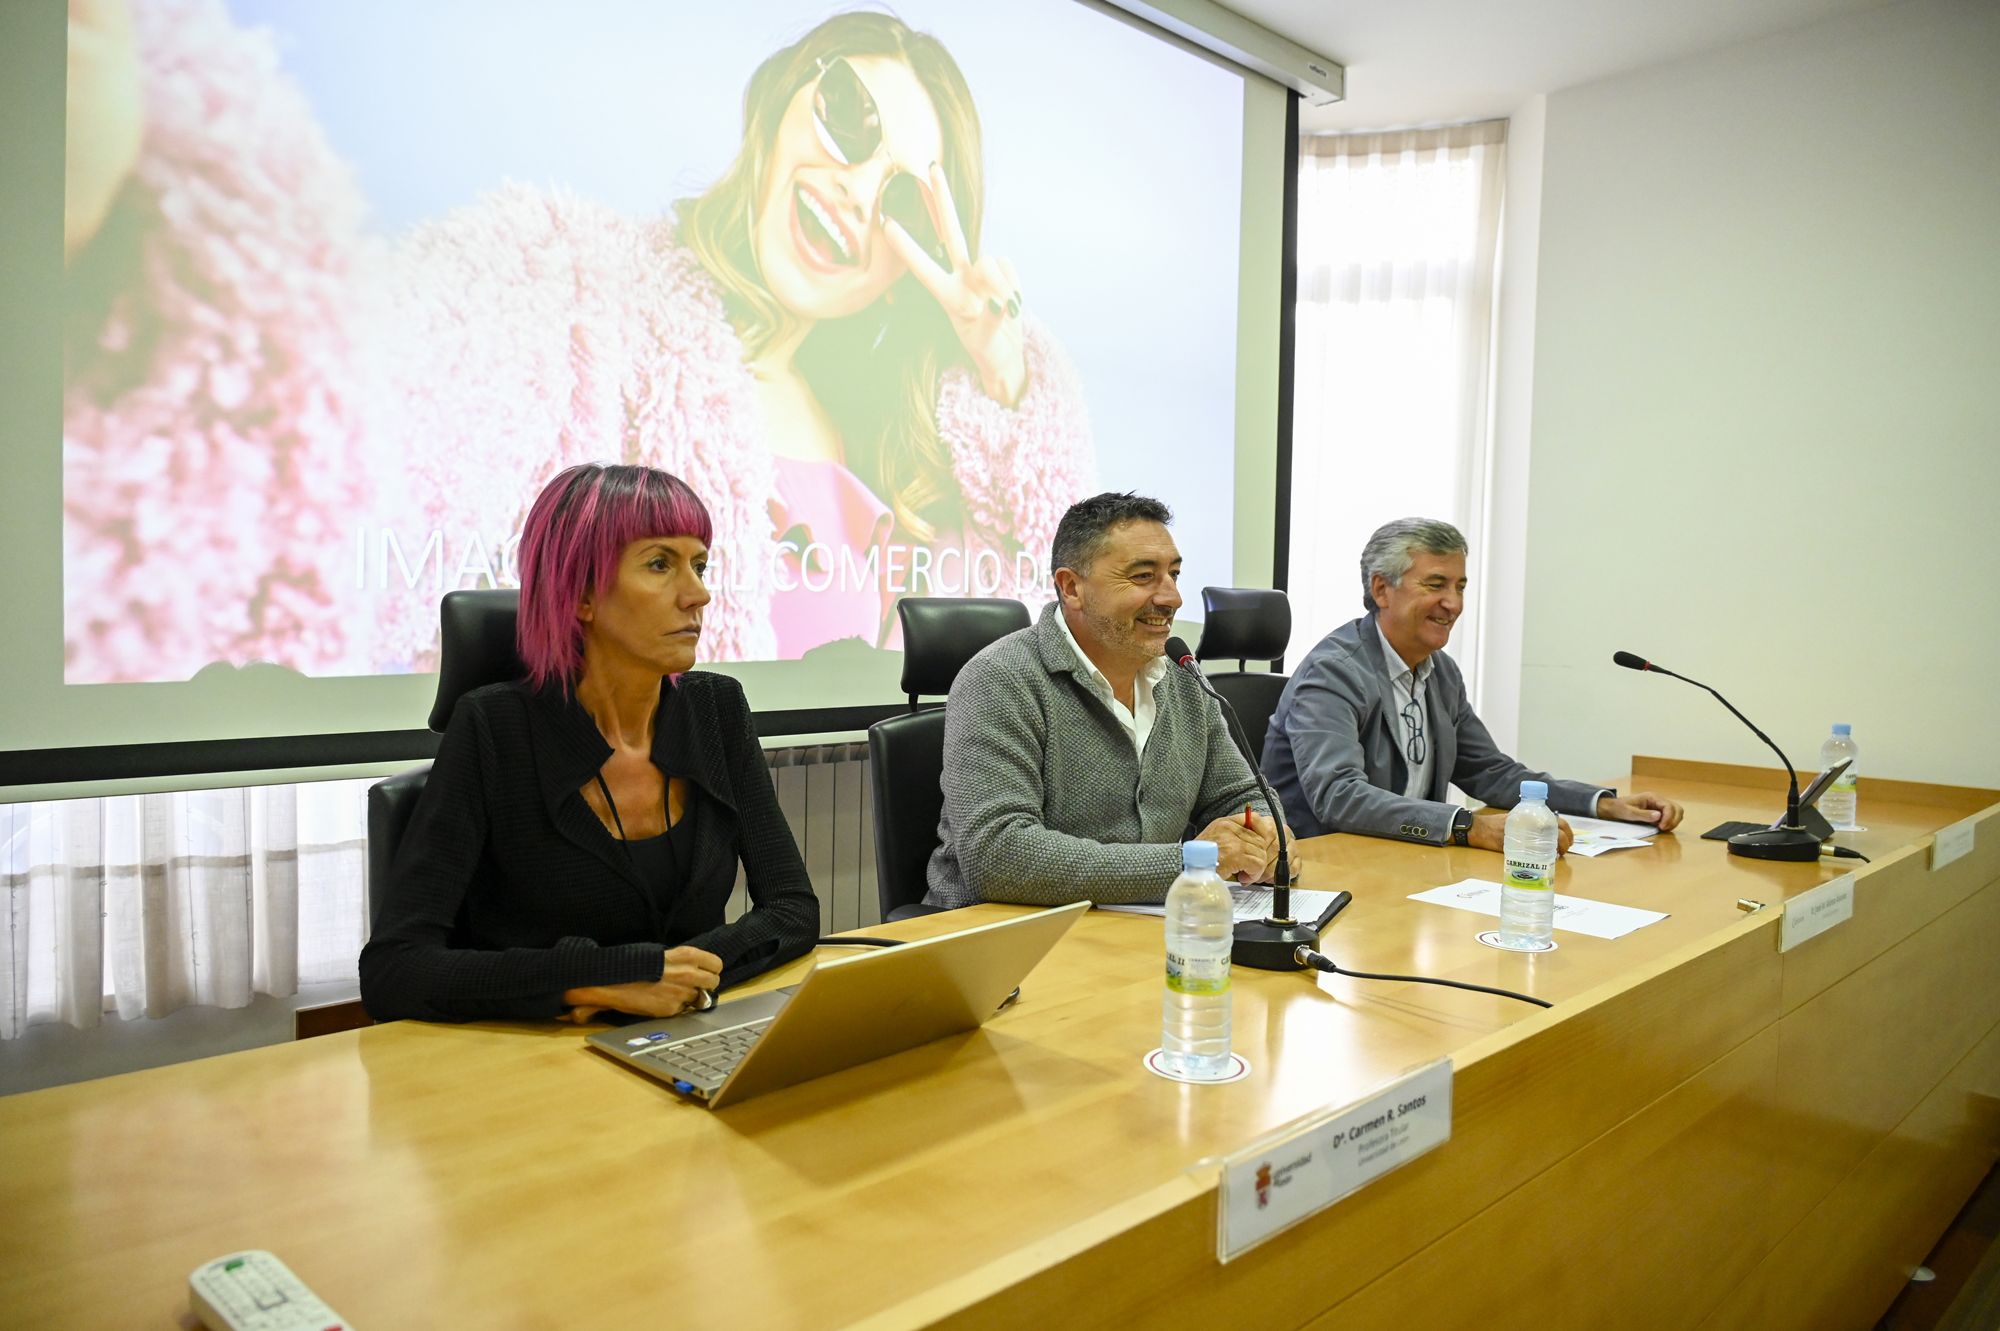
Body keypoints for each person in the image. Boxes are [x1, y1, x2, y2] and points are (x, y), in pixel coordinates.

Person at [61, 2, 1094, 683]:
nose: (856, 195)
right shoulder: (563, 282)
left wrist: (998, 378)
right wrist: (163, 226)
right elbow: (338, 393)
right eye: (848, 120)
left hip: (821, 854)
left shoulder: (888, 456)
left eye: (910, 200)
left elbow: (1031, 655)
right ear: (781, 102)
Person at [359, 465, 820, 1024]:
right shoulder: (493, 728)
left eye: (699, 565)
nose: (698, 594)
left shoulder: (715, 710)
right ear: (580, 594)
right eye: (660, 564)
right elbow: (395, 970)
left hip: (685, 1039)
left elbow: (793, 911)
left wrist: (679, 978)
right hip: (537, 1072)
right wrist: (595, 982)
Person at [924, 493, 1285, 909]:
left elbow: (1237, 796)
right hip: (1002, 941)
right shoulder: (999, 679)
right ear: (1071, 587)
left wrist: (1267, 835)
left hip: (1134, 928)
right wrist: (1187, 864)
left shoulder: (1183, 677)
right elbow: (998, 855)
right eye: (1143, 576)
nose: (1172, 598)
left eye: (1174, 574)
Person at [1263, 517, 1684, 852]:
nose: (1454, 604)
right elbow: (1339, 796)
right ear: (1381, 589)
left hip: (1404, 859)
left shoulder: (1440, 672)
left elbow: (1489, 773)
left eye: (1460, 587)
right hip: (1327, 869)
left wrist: (1603, 803)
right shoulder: (1334, 671)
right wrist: (1468, 826)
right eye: (1436, 585)